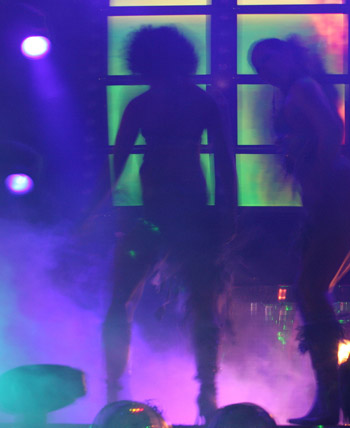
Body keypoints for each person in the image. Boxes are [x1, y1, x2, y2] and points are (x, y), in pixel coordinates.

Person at [101, 25, 237, 424]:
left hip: (184, 216)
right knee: (133, 301)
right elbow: (116, 166)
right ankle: (122, 389)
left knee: (196, 303)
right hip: (166, 216)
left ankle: (202, 392)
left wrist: (229, 215)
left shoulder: (185, 103)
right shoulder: (158, 104)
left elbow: (224, 163)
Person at [249, 37, 350, 426]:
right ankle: (329, 402)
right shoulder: (290, 93)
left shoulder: (304, 87)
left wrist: (319, 184)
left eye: (270, 58)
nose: (266, 68)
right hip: (340, 198)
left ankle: (330, 405)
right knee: (311, 292)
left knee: (311, 290)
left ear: (289, 56)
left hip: (342, 195)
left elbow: (333, 129)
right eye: (259, 65)